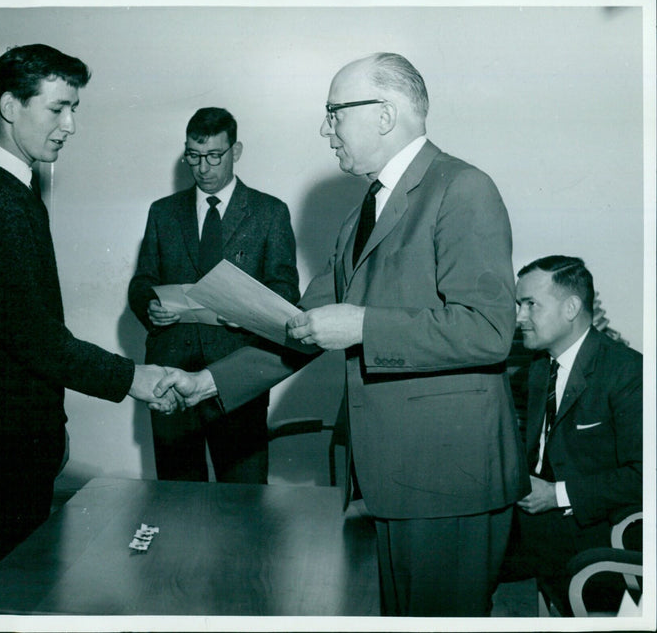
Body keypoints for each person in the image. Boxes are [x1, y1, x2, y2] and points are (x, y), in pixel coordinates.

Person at [157, 52, 529, 616]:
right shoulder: (364, 212)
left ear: (384, 114)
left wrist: (362, 324)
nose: (325, 129)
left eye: (334, 112)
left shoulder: (462, 188)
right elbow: (300, 328)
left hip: (449, 480)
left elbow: (489, 330)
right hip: (389, 480)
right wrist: (210, 382)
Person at [0, 44, 175, 593]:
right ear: (11, 106)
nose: (71, 125)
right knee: (6, 587)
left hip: (2, 426)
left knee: (7, 578)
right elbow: (36, 338)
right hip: (1, 433)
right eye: (59, 108)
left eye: (76, 109)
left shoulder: (1, 188)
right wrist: (135, 378)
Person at [128, 107, 299, 483]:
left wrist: (248, 312)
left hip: (237, 375)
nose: (203, 168)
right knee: (176, 499)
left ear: (235, 151)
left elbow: (286, 289)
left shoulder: (270, 213)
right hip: (171, 374)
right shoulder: (163, 212)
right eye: (193, 156)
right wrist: (150, 306)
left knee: (244, 498)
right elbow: (142, 281)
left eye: (213, 157)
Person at [499, 255, 642, 613]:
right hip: (540, 527)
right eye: (519, 305)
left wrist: (556, 494)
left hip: (595, 537)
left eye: (530, 304)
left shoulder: (628, 371)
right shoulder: (537, 370)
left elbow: (644, 476)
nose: (519, 317)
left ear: (571, 307)